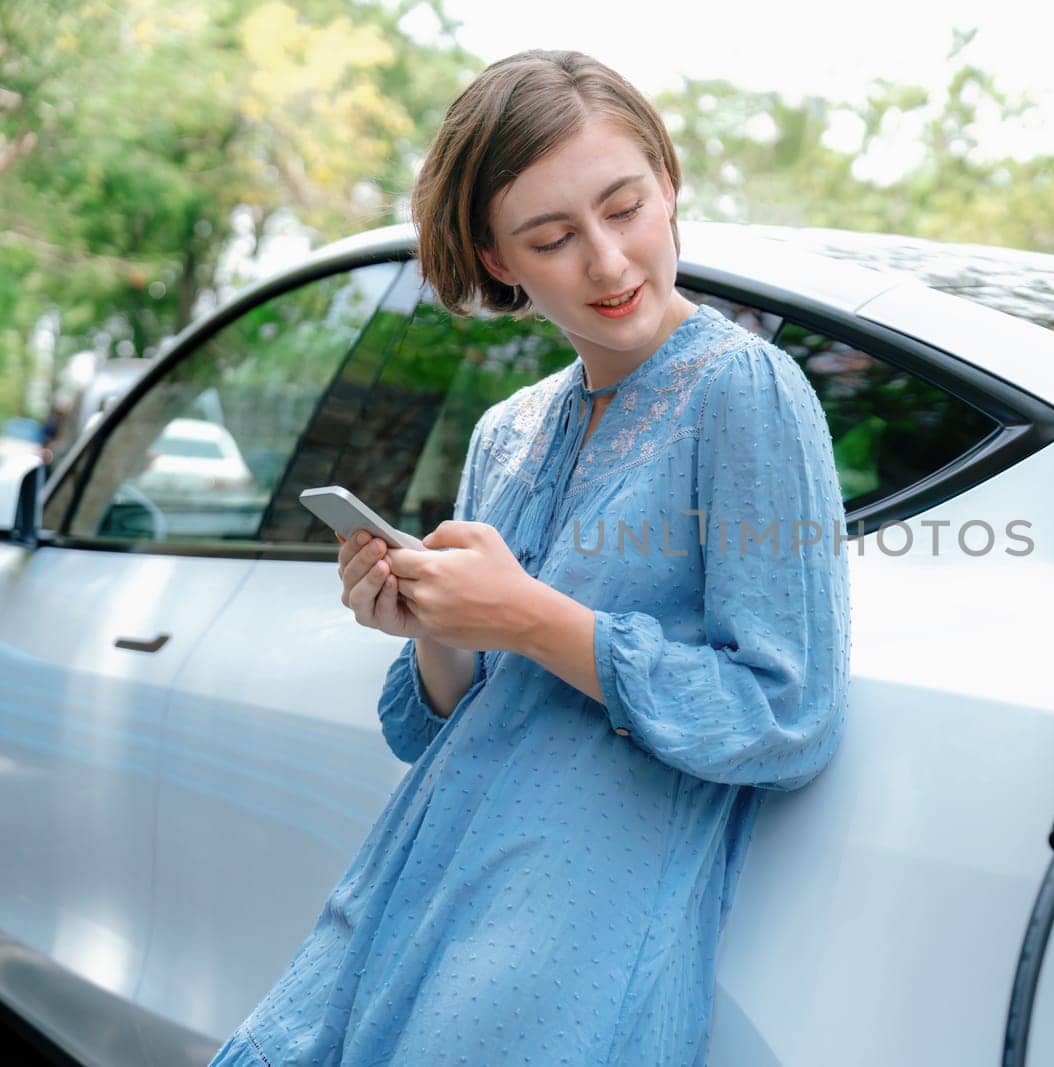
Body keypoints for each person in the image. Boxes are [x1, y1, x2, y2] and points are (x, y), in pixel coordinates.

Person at [208, 49, 850, 1067]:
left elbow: (786, 712)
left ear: (670, 184)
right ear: (499, 258)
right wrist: (432, 628)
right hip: (413, 890)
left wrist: (521, 615)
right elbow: (444, 726)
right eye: (552, 237)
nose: (607, 261)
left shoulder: (746, 393)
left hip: (571, 942)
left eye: (626, 207)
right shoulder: (509, 430)